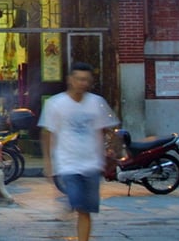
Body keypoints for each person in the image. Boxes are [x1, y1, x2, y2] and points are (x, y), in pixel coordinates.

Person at [38, 62, 119, 241]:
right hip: (68, 163)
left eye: (86, 80)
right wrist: (48, 163)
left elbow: (108, 129)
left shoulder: (96, 103)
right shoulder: (56, 103)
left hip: (92, 163)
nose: (82, 83)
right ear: (70, 80)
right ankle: (69, 211)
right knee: (79, 205)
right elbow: (47, 133)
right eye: (79, 79)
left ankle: (78, 231)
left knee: (86, 211)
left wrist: (110, 150)